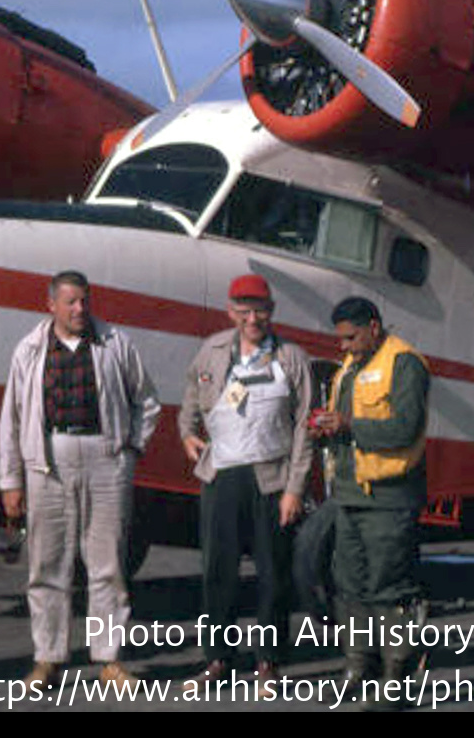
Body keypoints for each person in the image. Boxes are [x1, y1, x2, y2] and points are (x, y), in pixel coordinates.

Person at [0, 270, 161, 688]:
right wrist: (10, 481)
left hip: (105, 457)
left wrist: (130, 450)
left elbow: (147, 401)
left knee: (107, 564)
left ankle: (108, 658)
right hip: (47, 459)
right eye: (70, 302)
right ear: (50, 304)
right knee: (47, 564)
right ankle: (48, 658)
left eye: (85, 301)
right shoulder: (29, 351)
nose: (80, 310)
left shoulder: (115, 343)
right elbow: (12, 419)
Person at [179, 274, 314, 691]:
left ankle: (268, 663)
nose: (252, 318)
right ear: (230, 311)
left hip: (270, 480)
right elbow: (188, 402)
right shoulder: (212, 350)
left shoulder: (291, 358)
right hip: (221, 477)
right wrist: (187, 433)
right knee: (218, 572)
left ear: (271, 311)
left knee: (273, 575)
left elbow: (305, 428)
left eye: (260, 310)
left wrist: (295, 489)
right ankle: (217, 660)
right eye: (244, 310)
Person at [315, 296, 430, 687]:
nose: (343, 346)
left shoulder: (404, 363)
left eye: (350, 337)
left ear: (374, 327)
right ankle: (358, 668)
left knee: (389, 588)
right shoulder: (350, 367)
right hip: (349, 495)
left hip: (389, 497)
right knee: (349, 585)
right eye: (341, 339)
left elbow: (405, 429)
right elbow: (345, 428)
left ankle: (397, 677)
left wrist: (347, 425)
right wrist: (326, 431)